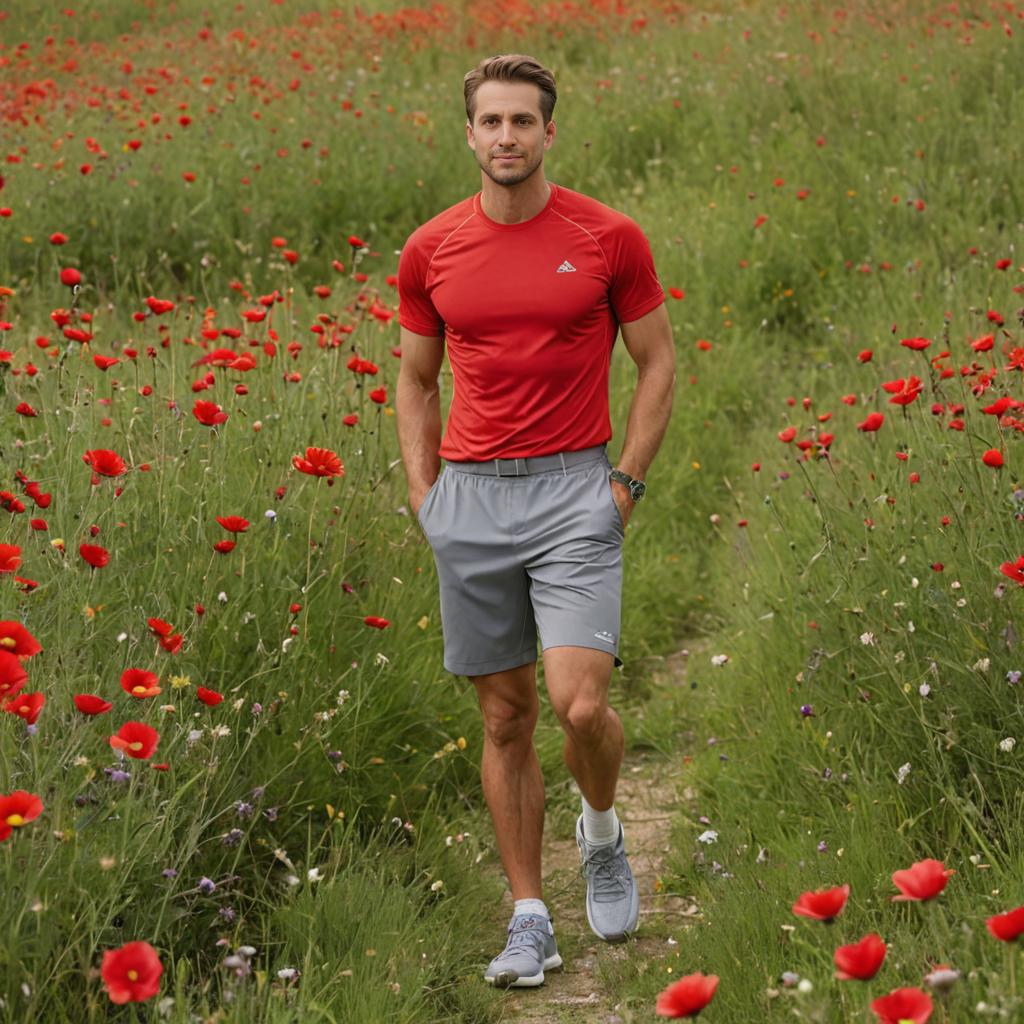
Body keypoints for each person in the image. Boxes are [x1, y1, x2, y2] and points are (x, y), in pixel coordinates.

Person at [394, 53, 675, 989]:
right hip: (471, 498)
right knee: (506, 717)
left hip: (573, 493)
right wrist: (425, 494)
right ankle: (529, 918)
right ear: (468, 133)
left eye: (524, 121)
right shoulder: (432, 248)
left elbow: (657, 362)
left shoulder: (607, 237)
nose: (507, 137)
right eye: (492, 122)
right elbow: (416, 379)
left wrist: (624, 484)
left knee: (578, 703)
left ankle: (601, 834)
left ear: (550, 132)